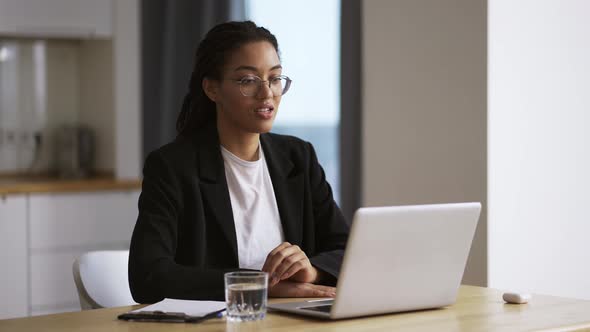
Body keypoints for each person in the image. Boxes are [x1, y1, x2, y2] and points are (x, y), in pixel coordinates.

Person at [128, 21, 349, 303]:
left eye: (275, 78)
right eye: (248, 80)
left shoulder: (298, 157)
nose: (266, 93)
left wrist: (311, 272)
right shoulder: (173, 167)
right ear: (212, 89)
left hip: (294, 321)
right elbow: (147, 276)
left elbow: (347, 249)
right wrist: (257, 287)